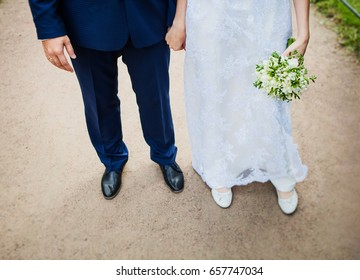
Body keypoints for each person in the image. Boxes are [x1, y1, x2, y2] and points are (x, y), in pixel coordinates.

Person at [29, 0, 185, 200]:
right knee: (98, 101)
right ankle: (112, 160)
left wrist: (177, 16)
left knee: (156, 96)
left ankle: (165, 155)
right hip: (84, 20)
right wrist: (49, 28)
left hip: (149, 14)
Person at [166, 0, 310, 213]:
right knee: (216, 87)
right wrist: (180, 19)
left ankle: (277, 164)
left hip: (267, 13)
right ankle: (219, 164)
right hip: (212, 11)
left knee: (267, 90)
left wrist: (304, 34)